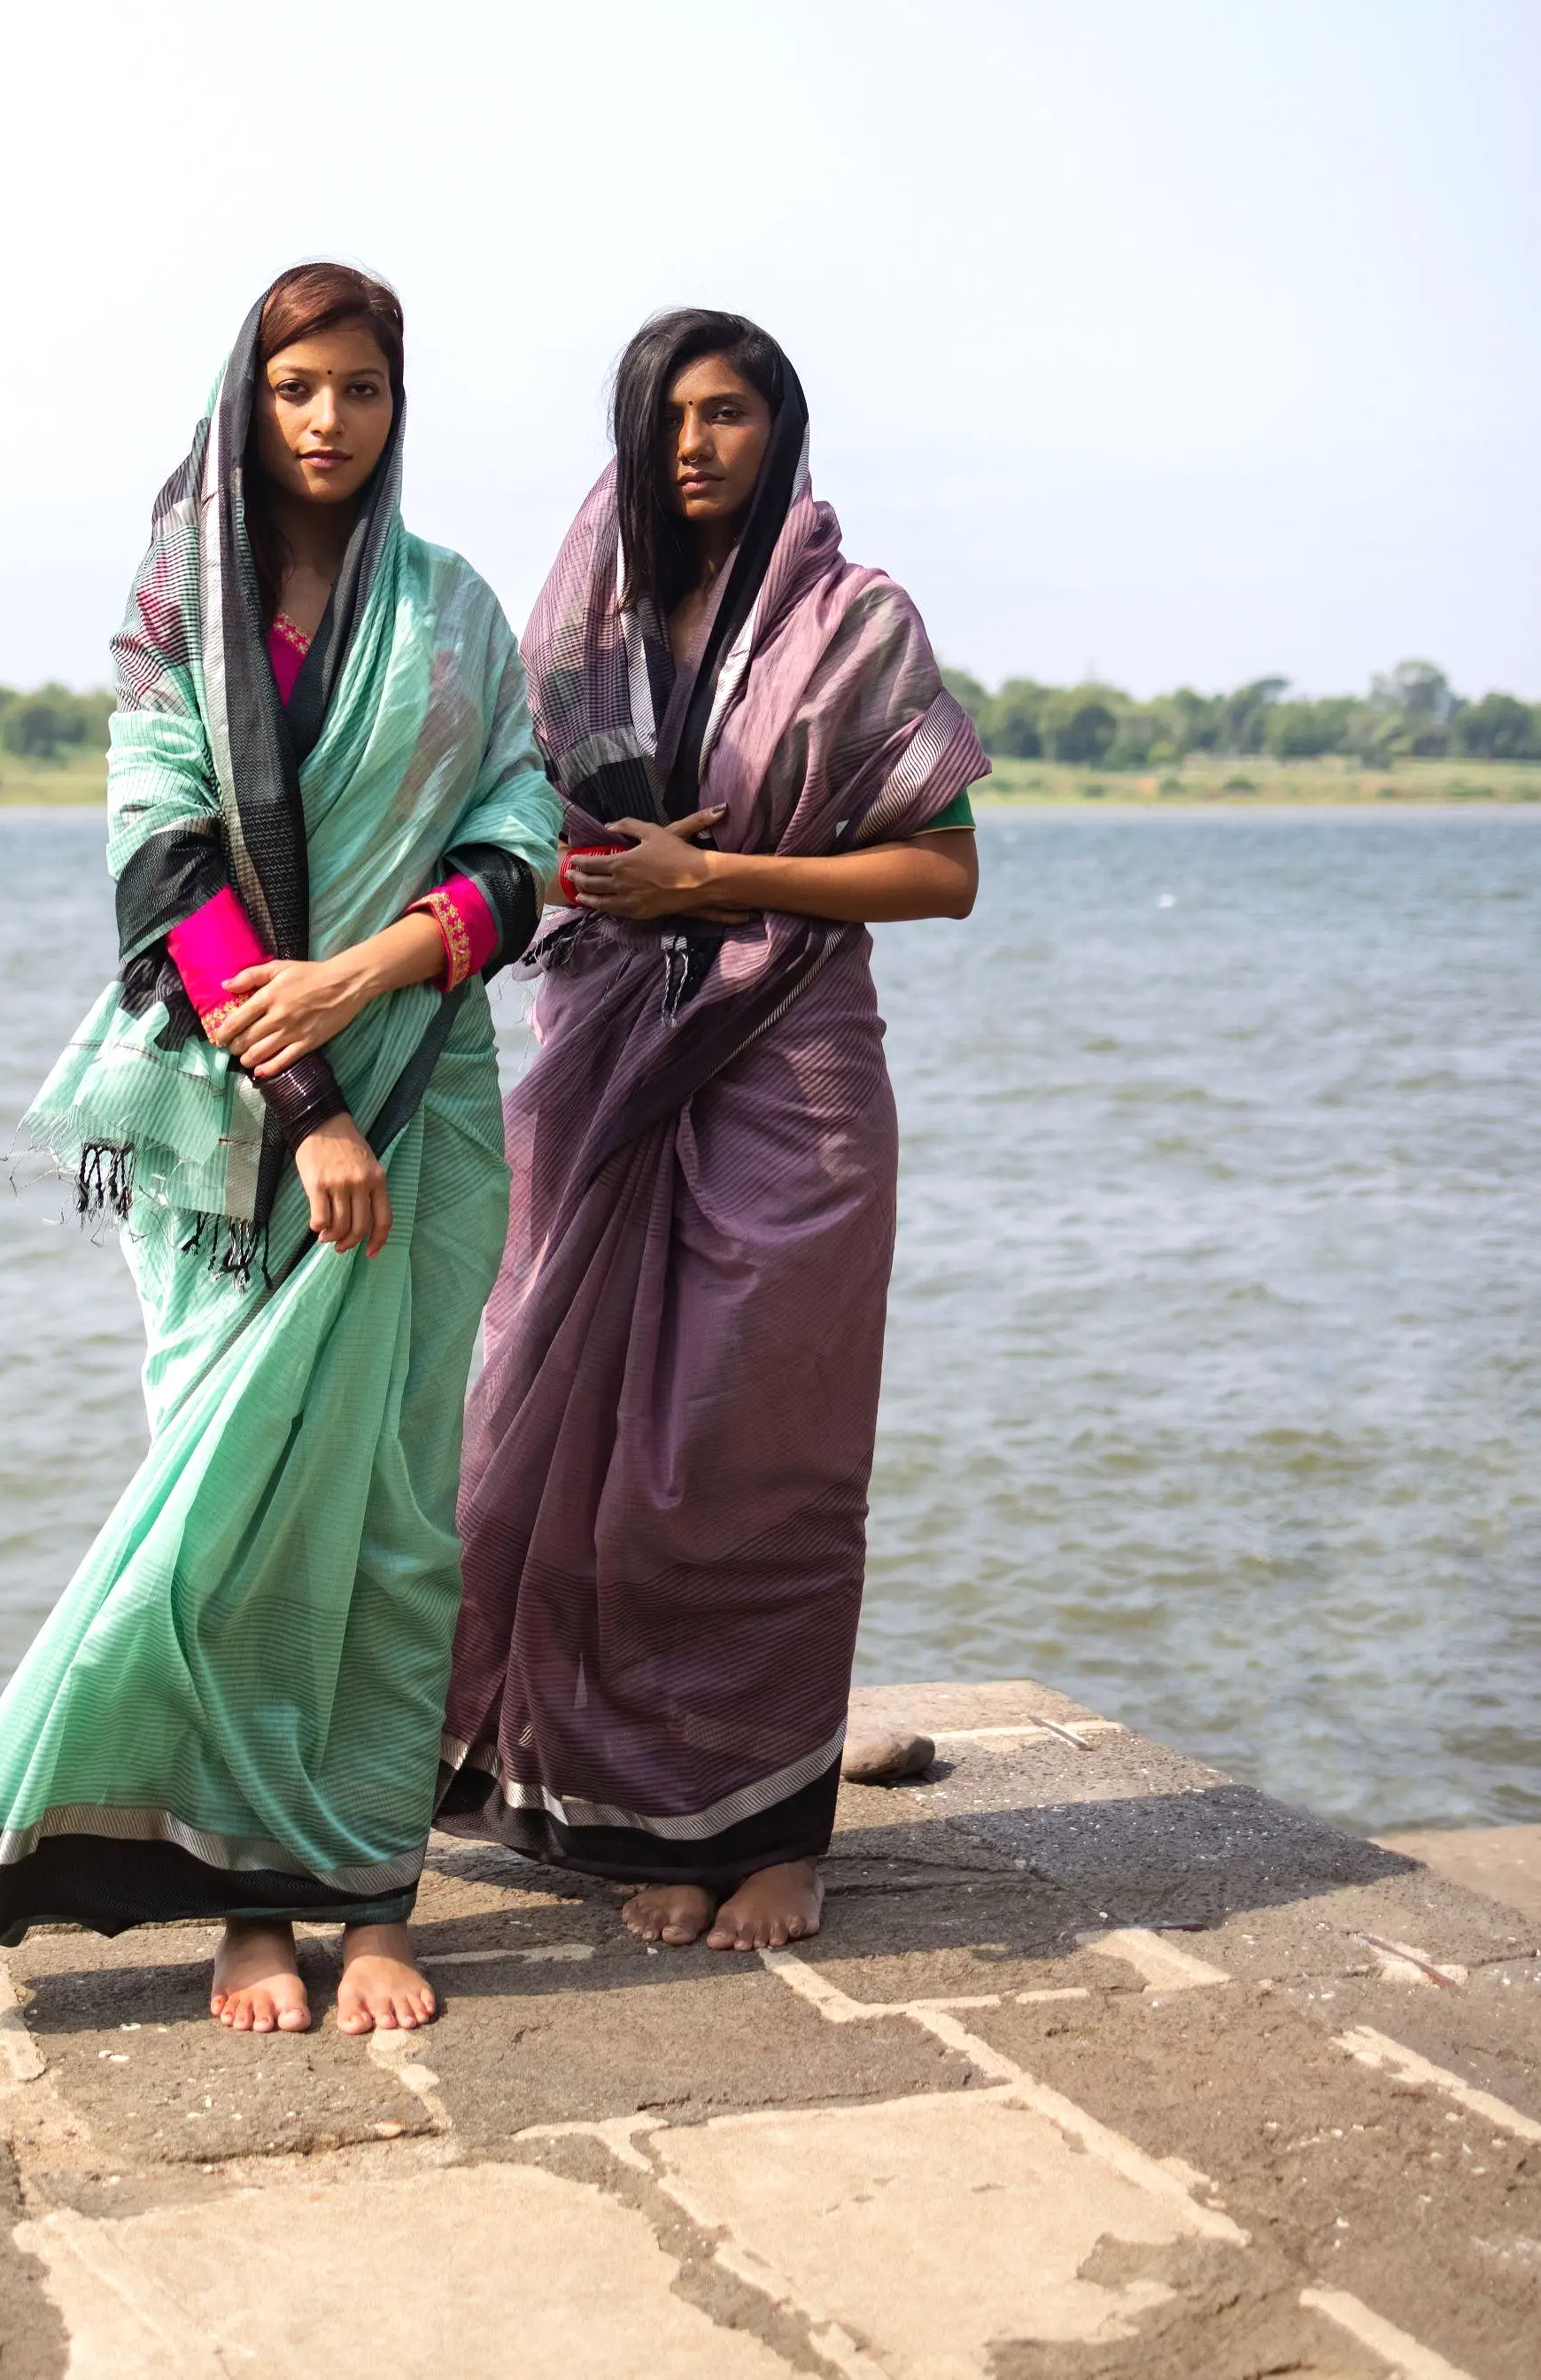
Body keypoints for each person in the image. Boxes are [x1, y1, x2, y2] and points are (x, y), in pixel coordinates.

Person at [0, 263, 561, 2033]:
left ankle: (374, 1897)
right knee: (230, 1509)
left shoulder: (459, 615)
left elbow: (525, 843)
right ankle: (244, 1905)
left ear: (401, 407)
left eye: (362, 389)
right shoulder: (176, 608)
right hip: (229, 1121)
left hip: (434, 1092)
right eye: (298, 388)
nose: (330, 420)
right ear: (246, 400)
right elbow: (165, 867)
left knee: (404, 1519)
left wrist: (370, 975)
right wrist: (310, 1102)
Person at [438, 307, 985, 1950]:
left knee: (757, 1458)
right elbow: (518, 841)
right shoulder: (577, 641)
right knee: (593, 1459)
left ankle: (778, 1830)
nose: (694, 442)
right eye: (667, 414)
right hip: (600, 1060)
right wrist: (600, 879)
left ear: (780, 431)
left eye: (730, 412)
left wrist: (720, 878)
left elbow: (942, 871)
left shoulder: (853, 620)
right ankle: (640, 1822)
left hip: (792, 1081)